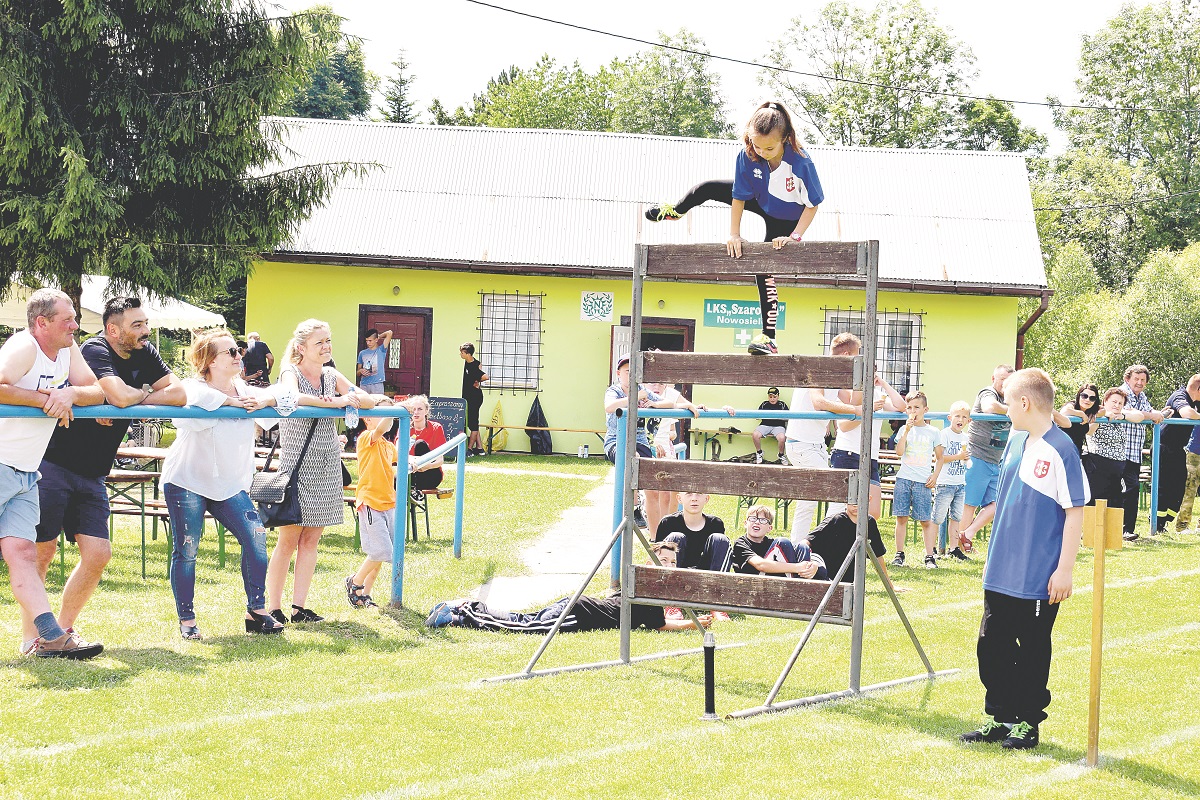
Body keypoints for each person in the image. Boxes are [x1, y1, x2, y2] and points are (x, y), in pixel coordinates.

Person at [22, 297, 186, 655]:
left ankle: (62, 632)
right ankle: (32, 637)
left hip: (94, 471)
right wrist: (135, 397)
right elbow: (115, 394)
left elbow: (178, 392)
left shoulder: (145, 351)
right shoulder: (95, 348)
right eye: (137, 325)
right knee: (41, 551)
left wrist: (136, 395)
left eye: (146, 323)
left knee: (98, 554)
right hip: (53, 463)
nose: (146, 331)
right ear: (113, 330)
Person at [961, 368, 1087, 751]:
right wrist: (974, 528)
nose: (1006, 410)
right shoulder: (1015, 442)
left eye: (1009, 402)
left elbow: (1075, 510)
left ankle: (1027, 722)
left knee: (1032, 649)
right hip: (1000, 569)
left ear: (1025, 402)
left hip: (1038, 575)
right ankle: (999, 716)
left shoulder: (1062, 449)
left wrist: (1064, 569)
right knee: (991, 645)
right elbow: (1004, 498)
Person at [644, 101, 823, 356]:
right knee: (706, 187)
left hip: (786, 217)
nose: (762, 152)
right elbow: (738, 196)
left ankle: (768, 338)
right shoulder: (748, 153)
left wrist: (795, 237)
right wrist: (734, 234)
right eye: (757, 145)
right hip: (759, 199)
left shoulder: (802, 162)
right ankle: (676, 211)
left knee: (764, 270)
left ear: (785, 138)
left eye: (769, 147)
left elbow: (813, 204)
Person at [0, 289, 106, 658]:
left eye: (75, 318)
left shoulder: (67, 349)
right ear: (41, 323)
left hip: (26, 471)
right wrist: (48, 398)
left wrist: (70, 395)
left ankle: (49, 636)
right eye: (68, 320)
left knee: (23, 552)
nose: (76, 326)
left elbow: (96, 390)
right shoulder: (23, 347)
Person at [160, 329, 285, 639]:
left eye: (238, 350)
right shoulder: (193, 387)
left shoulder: (246, 389)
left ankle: (256, 610)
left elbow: (284, 400)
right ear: (210, 361)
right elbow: (190, 412)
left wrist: (263, 398)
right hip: (187, 480)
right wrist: (232, 403)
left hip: (229, 485)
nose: (238, 356)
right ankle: (187, 620)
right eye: (231, 352)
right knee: (187, 549)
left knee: (256, 539)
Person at [266, 319, 375, 625]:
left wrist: (357, 398)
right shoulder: (291, 371)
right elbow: (292, 397)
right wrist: (337, 402)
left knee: (312, 540)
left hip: (327, 463)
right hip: (298, 465)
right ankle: (274, 607)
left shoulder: (331, 374)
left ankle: (299, 608)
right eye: (320, 343)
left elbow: (360, 396)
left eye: (328, 341)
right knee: (288, 540)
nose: (327, 347)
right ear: (301, 348)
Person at [425, 542, 713, 632]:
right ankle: (465, 610)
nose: (667, 565)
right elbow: (660, 626)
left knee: (526, 621)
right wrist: (692, 624)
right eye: (661, 560)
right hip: (583, 612)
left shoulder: (641, 587)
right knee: (526, 627)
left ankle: (458, 615)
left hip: (580, 604)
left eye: (671, 562)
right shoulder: (647, 592)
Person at [785, 332, 870, 541]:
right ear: (848, 354)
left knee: (818, 499)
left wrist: (865, 381)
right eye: (856, 357)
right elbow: (819, 403)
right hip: (801, 445)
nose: (856, 361)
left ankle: (808, 544)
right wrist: (857, 410)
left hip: (815, 446)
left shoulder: (834, 375)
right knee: (830, 494)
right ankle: (814, 543)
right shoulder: (819, 369)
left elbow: (850, 399)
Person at [831, 369, 906, 520]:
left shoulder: (878, 394)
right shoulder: (849, 394)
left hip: (870, 457)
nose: (870, 376)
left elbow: (901, 407)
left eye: (873, 372)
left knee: (873, 512)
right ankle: (833, 541)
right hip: (848, 453)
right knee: (840, 509)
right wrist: (868, 410)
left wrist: (884, 384)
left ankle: (857, 540)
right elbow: (843, 426)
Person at [346, 398, 399, 609]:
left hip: (388, 502)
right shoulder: (367, 437)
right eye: (380, 412)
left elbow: (401, 458)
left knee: (384, 553)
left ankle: (365, 594)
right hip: (370, 501)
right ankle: (355, 582)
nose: (388, 419)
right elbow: (384, 425)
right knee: (381, 551)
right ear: (367, 418)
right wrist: (396, 411)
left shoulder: (387, 445)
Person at [958, 365, 1015, 552]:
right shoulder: (987, 392)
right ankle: (958, 547)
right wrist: (1011, 409)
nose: (1005, 384)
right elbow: (989, 407)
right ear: (993, 379)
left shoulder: (1012, 397)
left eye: (1009, 380)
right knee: (970, 504)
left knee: (997, 504)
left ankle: (967, 534)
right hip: (978, 456)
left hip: (996, 460)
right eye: (1002, 379)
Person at [889, 392, 941, 570]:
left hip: (922, 481)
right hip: (904, 478)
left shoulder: (933, 432)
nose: (913, 411)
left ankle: (929, 556)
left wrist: (935, 476)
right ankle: (899, 554)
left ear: (925, 409)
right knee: (901, 517)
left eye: (917, 407)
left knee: (925, 520)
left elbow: (940, 457)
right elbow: (899, 452)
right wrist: (906, 432)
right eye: (909, 408)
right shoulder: (904, 429)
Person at [1119, 365, 1165, 539]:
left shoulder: (1142, 396)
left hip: (1134, 451)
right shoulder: (1121, 394)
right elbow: (1134, 413)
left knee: (1131, 490)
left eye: (1142, 380)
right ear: (1127, 379)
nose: (1139, 383)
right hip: (1119, 451)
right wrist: (1152, 415)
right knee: (1126, 489)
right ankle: (1122, 529)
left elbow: (1148, 411)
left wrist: (1156, 413)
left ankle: (1127, 529)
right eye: (1136, 379)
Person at [1083, 388, 1145, 511]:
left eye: (1120, 403)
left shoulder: (1120, 416)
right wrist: (1102, 416)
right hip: (1098, 465)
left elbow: (1140, 416)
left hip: (1117, 468)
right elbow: (1088, 432)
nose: (1117, 405)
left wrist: (1123, 415)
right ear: (1105, 401)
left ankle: (1114, 530)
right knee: (1095, 504)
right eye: (1114, 402)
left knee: (1115, 505)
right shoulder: (1097, 412)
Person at [806, 504, 895, 587]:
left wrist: (890, 586)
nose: (855, 505)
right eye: (852, 500)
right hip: (825, 579)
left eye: (859, 499)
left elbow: (877, 556)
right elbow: (807, 541)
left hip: (850, 583)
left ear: (868, 498)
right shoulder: (835, 520)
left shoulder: (869, 522)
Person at [1153, 375, 1200, 533]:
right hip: (1163, 446)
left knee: (1179, 487)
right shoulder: (1180, 396)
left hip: (1178, 449)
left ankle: (1165, 521)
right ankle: (1157, 524)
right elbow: (1187, 413)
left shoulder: (1196, 402)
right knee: (1163, 487)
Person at [730, 505, 827, 579]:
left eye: (763, 520)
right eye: (753, 519)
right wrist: (797, 567)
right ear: (745, 524)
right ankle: (801, 589)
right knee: (782, 542)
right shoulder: (741, 543)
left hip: (776, 581)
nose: (757, 522)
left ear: (769, 528)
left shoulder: (770, 543)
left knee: (802, 547)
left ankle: (806, 585)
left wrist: (813, 566)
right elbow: (761, 565)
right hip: (754, 584)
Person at [931, 401, 972, 561]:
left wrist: (966, 459)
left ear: (968, 421)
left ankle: (954, 548)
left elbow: (966, 458)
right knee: (938, 517)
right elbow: (940, 457)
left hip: (960, 483)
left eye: (964, 417)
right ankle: (932, 548)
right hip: (945, 482)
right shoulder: (944, 434)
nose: (960, 419)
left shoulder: (966, 437)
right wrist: (958, 457)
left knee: (956, 517)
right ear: (950, 418)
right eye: (957, 416)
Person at [653, 491, 731, 572]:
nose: (694, 499)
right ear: (679, 498)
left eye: (699, 493)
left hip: (707, 577)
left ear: (706, 498)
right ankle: (669, 581)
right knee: (676, 537)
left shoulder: (715, 524)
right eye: (689, 494)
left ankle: (718, 582)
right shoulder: (668, 523)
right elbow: (656, 558)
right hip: (676, 576)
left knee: (720, 539)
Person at [404, 394, 446, 497]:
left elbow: (440, 460)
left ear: (426, 411)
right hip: (411, 471)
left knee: (420, 444)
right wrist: (412, 461)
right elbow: (397, 451)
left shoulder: (436, 428)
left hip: (431, 473)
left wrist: (427, 466)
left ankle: (415, 493)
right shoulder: (404, 428)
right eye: (413, 409)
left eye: (419, 409)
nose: (416, 412)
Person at [460, 342, 489, 455]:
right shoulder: (469, 363)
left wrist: (478, 381)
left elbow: (485, 376)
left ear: (467, 354)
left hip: (474, 397)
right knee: (473, 423)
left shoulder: (473, 367)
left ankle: (470, 449)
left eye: (462, 352)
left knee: (473, 424)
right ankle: (480, 448)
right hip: (468, 396)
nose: (460, 354)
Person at [1057, 384, 1100, 456]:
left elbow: (1104, 410)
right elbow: (1064, 411)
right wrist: (1081, 414)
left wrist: (1096, 415)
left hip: (1075, 454)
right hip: (1060, 451)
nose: (1087, 400)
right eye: (1084, 396)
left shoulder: (1091, 412)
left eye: (1092, 398)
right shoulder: (1072, 405)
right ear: (1079, 396)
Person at [752, 387, 789, 465]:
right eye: (770, 397)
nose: (772, 399)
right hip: (765, 425)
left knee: (782, 438)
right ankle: (759, 453)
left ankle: (781, 455)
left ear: (778, 396)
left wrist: (778, 417)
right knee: (755, 434)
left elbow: (788, 418)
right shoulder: (764, 404)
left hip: (778, 426)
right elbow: (757, 416)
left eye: (774, 397)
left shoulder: (782, 405)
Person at [1176, 425, 1200, 534]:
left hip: (1195, 450)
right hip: (1195, 452)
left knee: (1190, 489)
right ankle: (1182, 525)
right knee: (1190, 489)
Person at [356, 328, 392, 393]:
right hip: (364, 384)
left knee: (378, 403)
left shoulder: (381, 350)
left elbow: (389, 333)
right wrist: (361, 371)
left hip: (377, 384)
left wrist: (379, 336)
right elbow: (357, 372)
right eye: (366, 341)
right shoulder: (362, 353)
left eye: (370, 340)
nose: (368, 343)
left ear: (376, 340)